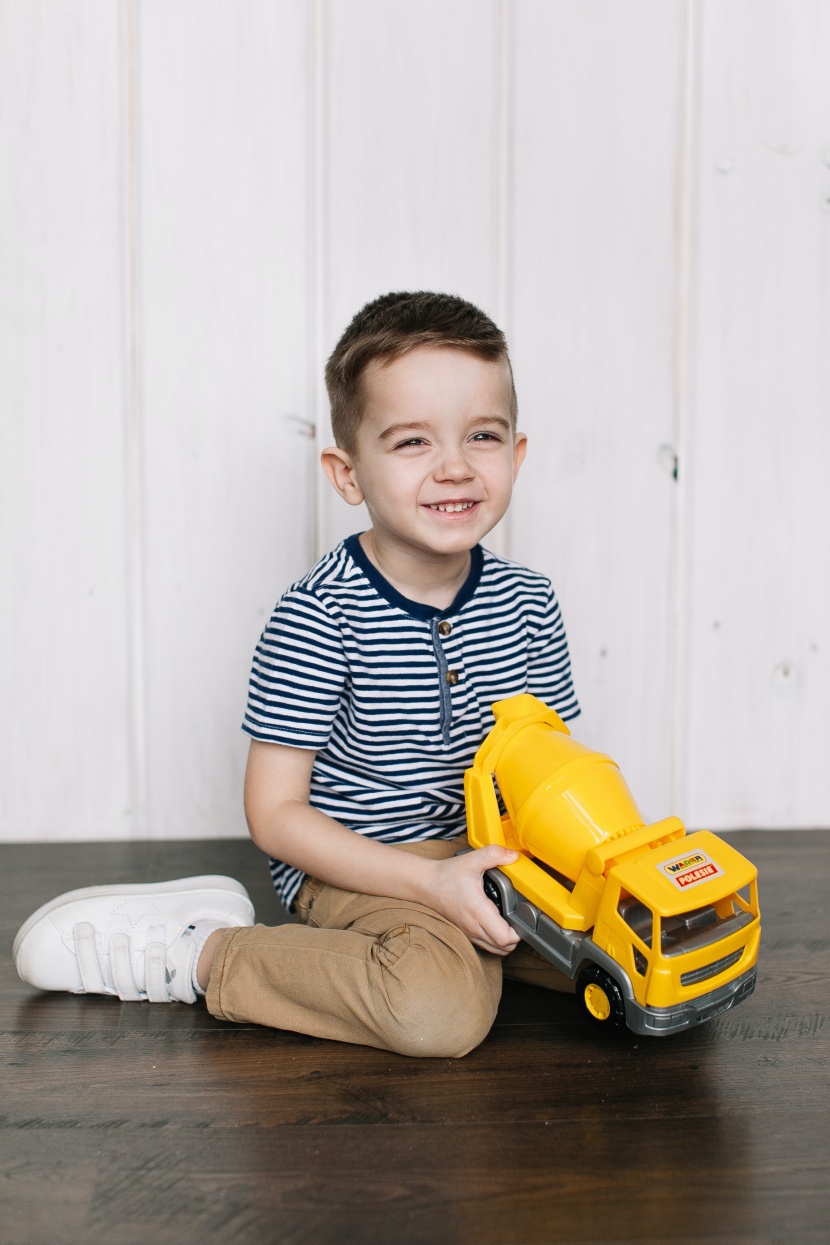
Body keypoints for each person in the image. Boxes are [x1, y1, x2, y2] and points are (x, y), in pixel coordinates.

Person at [14, 291, 580, 1057]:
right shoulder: (320, 614)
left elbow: (548, 767)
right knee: (437, 1011)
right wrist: (430, 886)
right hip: (356, 862)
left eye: (482, 435)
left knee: (637, 955)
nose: (455, 466)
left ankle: (465, 946)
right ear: (348, 474)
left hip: (484, 854)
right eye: (413, 441)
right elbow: (276, 814)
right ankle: (205, 951)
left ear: (516, 454)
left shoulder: (529, 601)